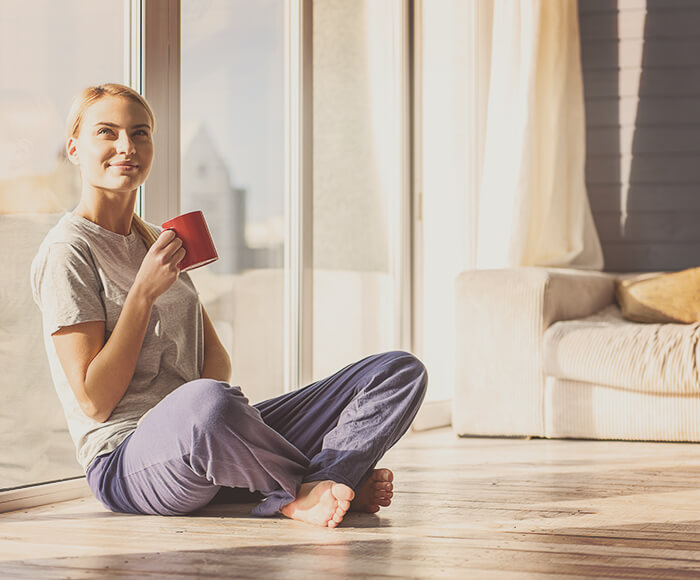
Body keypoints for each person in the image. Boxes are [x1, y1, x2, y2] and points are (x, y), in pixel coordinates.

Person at [30, 83, 428, 528]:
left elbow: (215, 362)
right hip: (125, 460)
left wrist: (231, 431)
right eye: (107, 132)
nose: (127, 146)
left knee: (397, 371)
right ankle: (301, 488)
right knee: (207, 404)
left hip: (202, 437)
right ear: (74, 148)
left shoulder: (156, 239)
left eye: (140, 133)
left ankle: (324, 479)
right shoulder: (68, 250)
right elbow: (94, 401)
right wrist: (142, 294)